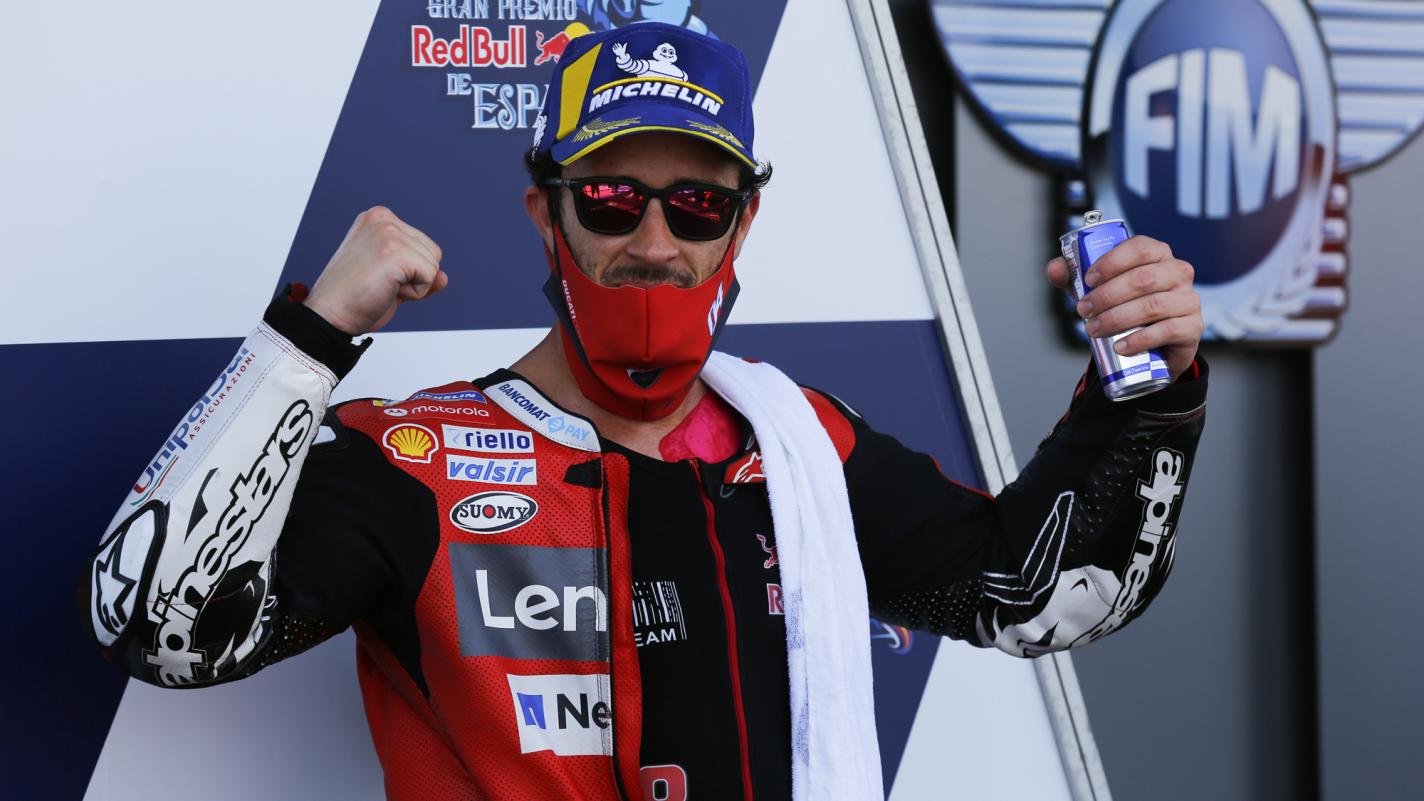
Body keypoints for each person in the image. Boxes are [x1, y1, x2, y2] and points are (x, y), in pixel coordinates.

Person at [82, 21, 1207, 801]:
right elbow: (157, 629)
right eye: (614, 200)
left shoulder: (799, 445)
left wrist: (1149, 387)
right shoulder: (413, 460)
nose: (655, 243)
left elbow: (1040, 597)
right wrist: (309, 339)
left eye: (698, 204)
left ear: (742, 225)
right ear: (547, 214)